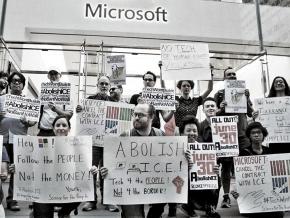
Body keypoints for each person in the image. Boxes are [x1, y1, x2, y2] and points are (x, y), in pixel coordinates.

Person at [10, 115, 81, 218]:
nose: (61, 127)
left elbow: (82, 168)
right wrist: (18, 168)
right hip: (44, 191)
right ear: (53, 128)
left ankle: (64, 212)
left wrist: (91, 170)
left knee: (83, 191)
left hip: (66, 191)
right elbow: (29, 163)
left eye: (64, 125)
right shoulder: (42, 144)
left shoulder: (76, 147)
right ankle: (37, 212)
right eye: (58, 125)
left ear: (69, 129)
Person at [76, 75, 118, 212]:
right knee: (92, 170)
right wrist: (79, 110)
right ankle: (91, 201)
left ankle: (108, 200)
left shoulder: (114, 101)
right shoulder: (89, 100)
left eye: (106, 83)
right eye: (102, 83)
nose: (104, 86)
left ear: (109, 85)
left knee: (107, 171)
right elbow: (82, 118)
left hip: (109, 142)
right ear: (97, 85)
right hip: (93, 142)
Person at [214, 67, 254, 209]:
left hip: (242, 134)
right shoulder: (218, 94)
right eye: (229, 74)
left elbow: (250, 113)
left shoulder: (244, 92)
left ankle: (246, 196)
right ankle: (226, 197)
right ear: (224, 79)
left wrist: (248, 98)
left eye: (234, 74)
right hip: (226, 136)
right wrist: (221, 108)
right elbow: (213, 115)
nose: (232, 76)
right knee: (226, 166)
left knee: (245, 165)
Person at [0, 72, 36, 211]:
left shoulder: (28, 102)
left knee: (15, 170)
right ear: (9, 84)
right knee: (0, 170)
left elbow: (33, 122)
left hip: (19, 139)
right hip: (2, 137)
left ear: (22, 85)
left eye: (19, 81)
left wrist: (27, 121)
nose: (16, 83)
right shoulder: (1, 99)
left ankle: (12, 200)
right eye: (14, 81)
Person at [232, 122, 284, 218]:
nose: (256, 135)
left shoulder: (270, 152)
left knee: (279, 214)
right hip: (252, 199)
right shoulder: (243, 154)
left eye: (259, 132)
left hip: (269, 197)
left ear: (263, 134)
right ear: (249, 136)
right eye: (253, 133)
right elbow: (241, 178)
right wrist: (237, 191)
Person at [179, 115, 221, 218]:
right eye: (188, 130)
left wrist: (215, 170)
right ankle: (186, 206)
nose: (192, 133)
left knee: (216, 179)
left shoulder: (204, 148)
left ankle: (210, 207)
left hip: (198, 181)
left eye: (194, 130)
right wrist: (184, 168)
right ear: (181, 133)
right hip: (182, 181)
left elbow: (210, 168)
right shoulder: (176, 148)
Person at [38, 69, 73, 136]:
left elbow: (69, 115)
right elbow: (36, 112)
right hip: (43, 131)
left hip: (59, 132)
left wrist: (56, 109)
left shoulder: (66, 94)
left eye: (56, 74)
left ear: (60, 76)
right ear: (48, 76)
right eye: (51, 74)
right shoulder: (42, 93)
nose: (53, 76)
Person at [266, 76, 290, 154]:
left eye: (281, 82)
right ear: (273, 86)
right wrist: (256, 115)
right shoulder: (266, 102)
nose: (279, 83)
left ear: (285, 85)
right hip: (274, 139)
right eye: (276, 82)